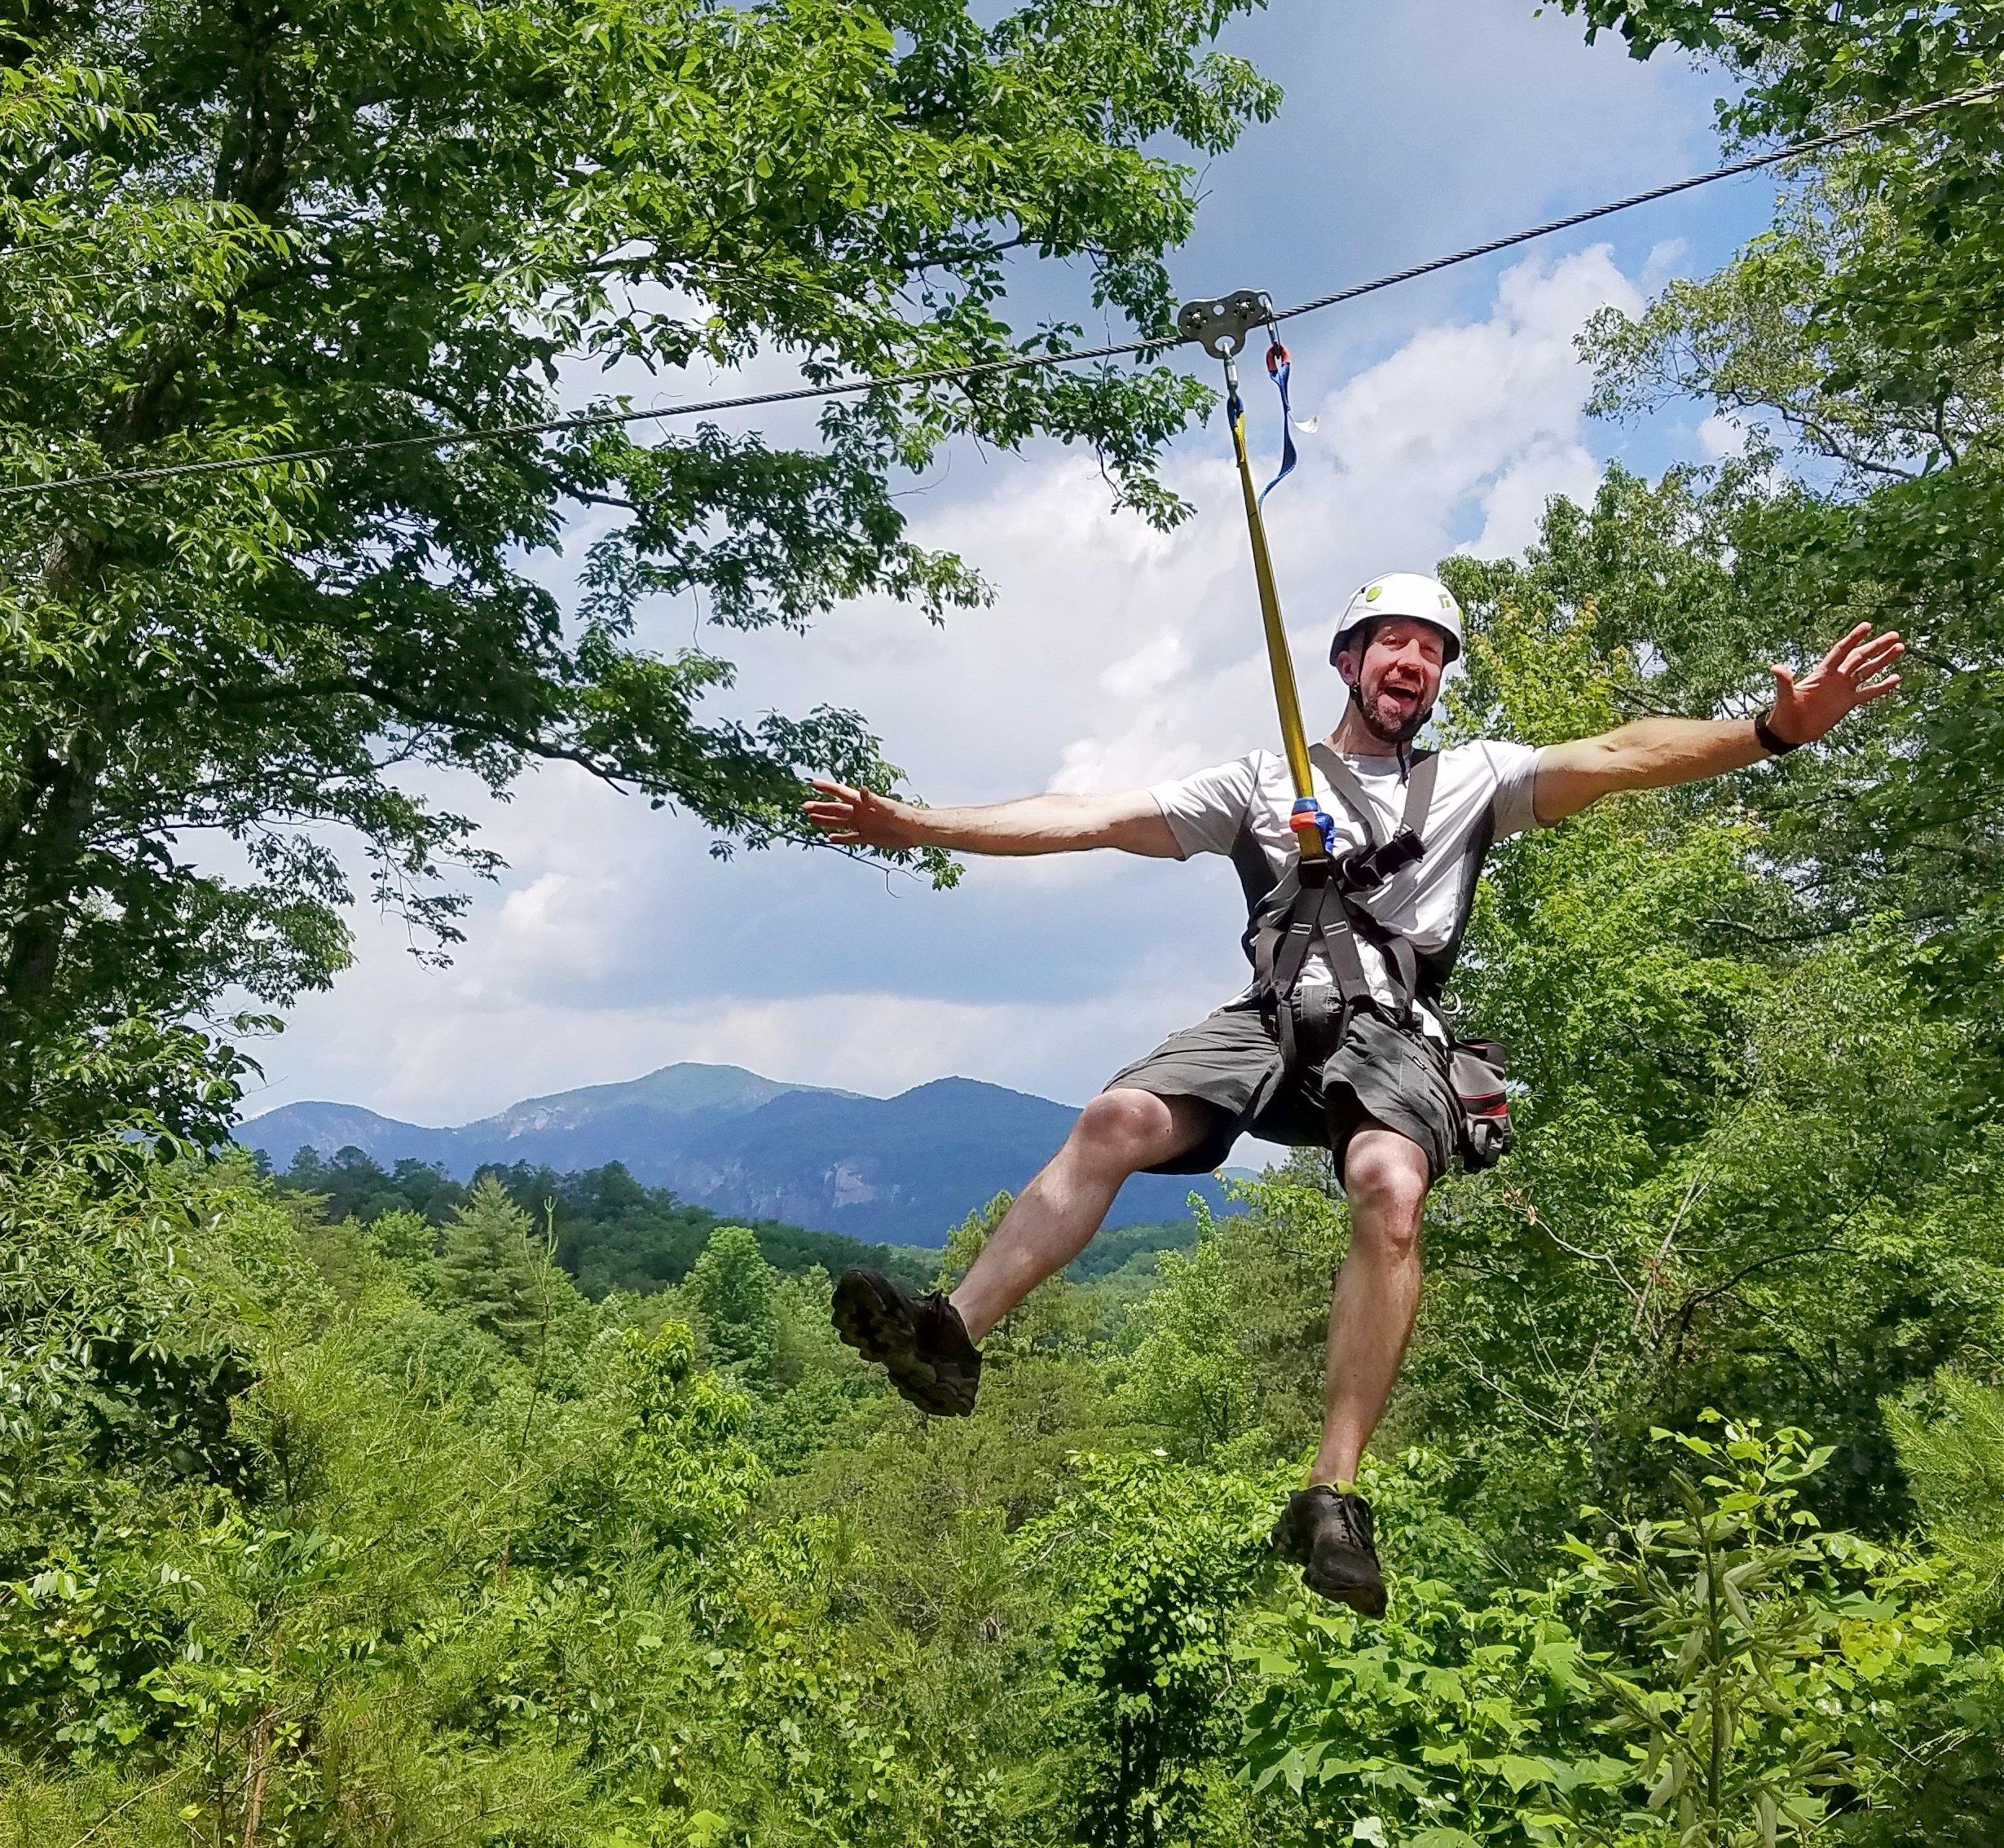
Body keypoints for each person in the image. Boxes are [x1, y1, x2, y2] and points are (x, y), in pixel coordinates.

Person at [802, 573, 1903, 1614]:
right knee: (1116, 1118)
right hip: (1272, 1018)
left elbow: (1620, 752)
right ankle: (948, 1338)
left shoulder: (1473, 782)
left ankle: (1330, 1498)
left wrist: (1766, 736)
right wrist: (922, 825)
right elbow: (1085, 816)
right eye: (1396, 642)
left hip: (1390, 1030)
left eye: (1433, 651)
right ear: (1348, 659)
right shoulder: (1255, 781)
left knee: (1388, 1185)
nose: (1416, 662)